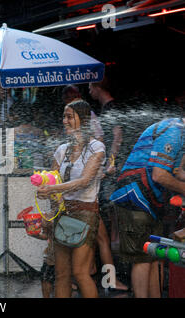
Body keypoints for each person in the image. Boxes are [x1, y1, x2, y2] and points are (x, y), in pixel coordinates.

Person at [109, 116, 185, 298]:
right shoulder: (175, 132)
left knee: (154, 256)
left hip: (149, 200)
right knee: (142, 258)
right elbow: (159, 175)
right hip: (135, 197)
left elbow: (178, 171)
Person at [37, 99, 105, 298]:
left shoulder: (96, 147)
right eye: (64, 117)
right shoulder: (61, 150)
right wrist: (52, 210)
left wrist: (52, 188)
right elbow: (52, 180)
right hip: (63, 213)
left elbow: (84, 181)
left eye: (69, 117)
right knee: (61, 274)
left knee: (80, 272)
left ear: (82, 120)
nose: (64, 121)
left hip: (85, 213)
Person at [64, 84, 128, 291]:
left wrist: (106, 164)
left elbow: (104, 141)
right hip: (83, 203)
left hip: (88, 201)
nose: (65, 120)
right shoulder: (72, 144)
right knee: (99, 240)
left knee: (98, 239)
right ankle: (103, 280)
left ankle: (102, 279)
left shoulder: (90, 140)